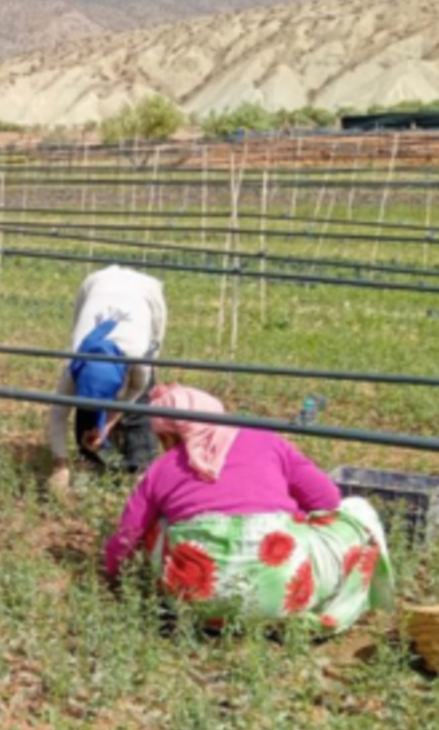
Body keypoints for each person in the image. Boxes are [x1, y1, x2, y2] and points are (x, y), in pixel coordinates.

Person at [102, 384, 393, 634]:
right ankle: (329, 608)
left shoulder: (162, 468)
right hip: (287, 595)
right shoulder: (267, 441)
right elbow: (328, 500)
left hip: (196, 602)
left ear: (170, 436)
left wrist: (113, 578)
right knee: (358, 509)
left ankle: (215, 612)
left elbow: (127, 538)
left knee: (159, 523)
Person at [48, 265, 168, 493]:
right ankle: (92, 464)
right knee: (88, 413)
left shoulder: (137, 358)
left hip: (146, 292)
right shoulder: (75, 364)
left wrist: (109, 423)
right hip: (96, 284)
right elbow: (57, 414)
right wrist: (59, 465)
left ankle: (140, 468)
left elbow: (130, 396)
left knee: (140, 406)